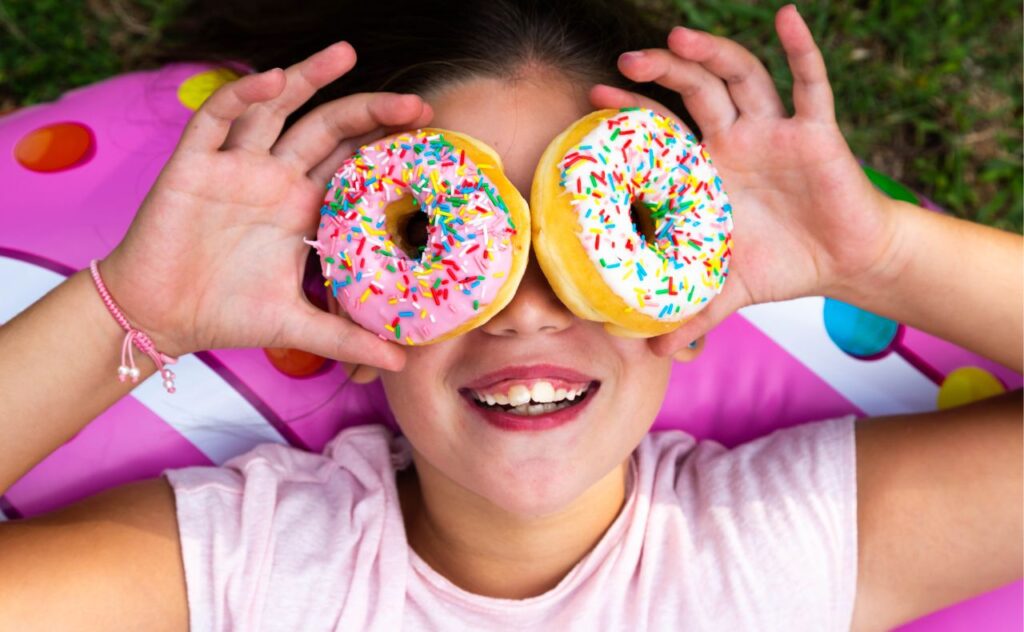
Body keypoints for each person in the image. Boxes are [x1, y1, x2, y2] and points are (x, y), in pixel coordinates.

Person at [0, 1, 1020, 630]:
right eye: (443, 243)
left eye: (596, 241)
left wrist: (879, 255)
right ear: (343, 296)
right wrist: (135, 312)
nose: (524, 313)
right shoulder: (256, 561)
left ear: (698, 295)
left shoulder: (773, 546)